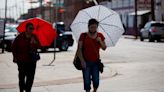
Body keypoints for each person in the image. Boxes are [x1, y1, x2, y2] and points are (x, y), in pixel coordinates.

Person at [77, 18, 107, 92]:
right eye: (91, 27)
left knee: (96, 80)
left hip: (95, 62)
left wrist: (100, 41)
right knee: (86, 80)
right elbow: (79, 50)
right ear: (88, 27)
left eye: (95, 27)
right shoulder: (83, 35)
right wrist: (82, 61)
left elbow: (104, 48)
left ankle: (95, 90)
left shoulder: (100, 35)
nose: (93, 29)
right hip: (86, 61)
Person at [12, 22, 40, 92]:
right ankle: (21, 90)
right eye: (30, 28)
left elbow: (39, 46)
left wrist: (35, 43)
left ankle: (28, 90)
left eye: (32, 28)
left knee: (30, 78)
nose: (32, 30)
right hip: (22, 61)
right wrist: (15, 57)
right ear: (26, 29)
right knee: (21, 78)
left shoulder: (34, 36)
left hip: (32, 61)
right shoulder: (20, 37)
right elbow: (13, 47)